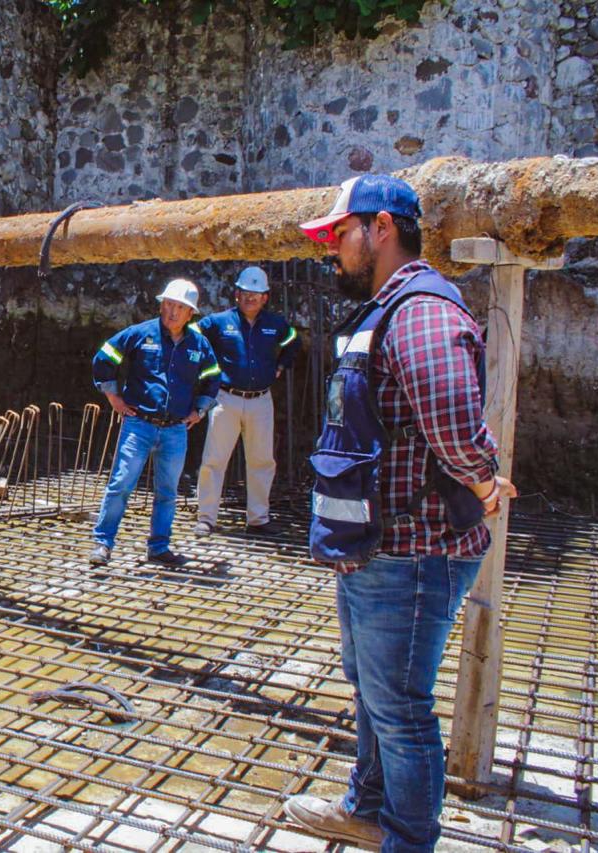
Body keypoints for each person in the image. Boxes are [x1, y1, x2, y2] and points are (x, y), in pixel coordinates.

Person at [282, 174, 516, 852]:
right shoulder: (391, 308)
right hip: (378, 547)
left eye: (338, 236)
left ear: (380, 228)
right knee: (375, 692)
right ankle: (368, 806)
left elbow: (452, 422)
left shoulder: (420, 311)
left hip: (415, 551)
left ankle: (408, 839)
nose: (331, 252)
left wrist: (483, 481)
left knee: (401, 708)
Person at [88, 278, 221, 568]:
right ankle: (102, 543)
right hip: (140, 425)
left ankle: (159, 547)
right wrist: (113, 397)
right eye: (168, 304)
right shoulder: (141, 333)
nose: (171, 311)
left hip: (175, 429)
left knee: (168, 492)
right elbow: (104, 357)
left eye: (179, 307)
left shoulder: (198, 344)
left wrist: (200, 410)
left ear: (190, 314)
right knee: (121, 484)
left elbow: (213, 377)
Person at [191, 266, 300, 537]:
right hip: (225, 398)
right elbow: (191, 337)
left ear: (265, 297)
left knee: (262, 460)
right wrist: (206, 371)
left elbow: (293, 342)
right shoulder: (218, 322)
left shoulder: (275, 324)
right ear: (236, 294)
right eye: (246, 293)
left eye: (257, 294)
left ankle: (258, 519)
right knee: (214, 459)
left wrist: (281, 366)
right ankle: (206, 518)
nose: (251, 298)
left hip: (260, 400)